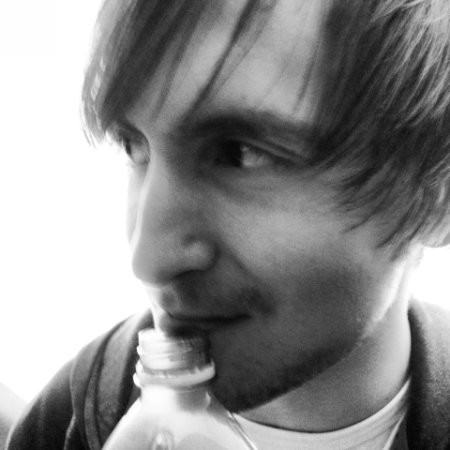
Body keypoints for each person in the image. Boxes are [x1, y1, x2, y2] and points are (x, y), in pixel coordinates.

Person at [7, 0, 450, 448]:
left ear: (436, 198)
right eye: (132, 145)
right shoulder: (66, 422)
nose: (148, 260)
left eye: (239, 153)